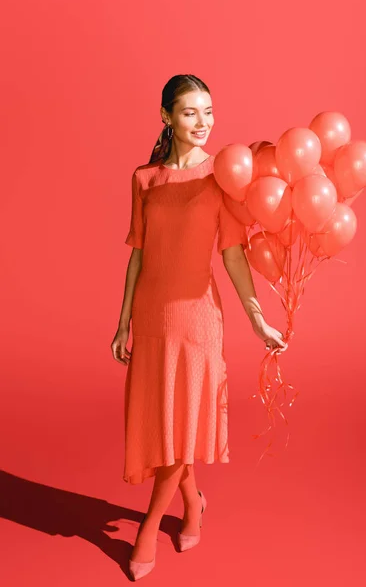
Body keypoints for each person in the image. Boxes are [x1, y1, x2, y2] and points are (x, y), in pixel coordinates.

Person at [110, 74, 287, 581]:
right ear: (166, 116)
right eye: (190, 112)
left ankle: (148, 527)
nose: (203, 122)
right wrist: (122, 322)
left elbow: (232, 254)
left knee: (183, 421)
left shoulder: (220, 180)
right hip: (152, 315)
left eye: (209, 111)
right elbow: (137, 256)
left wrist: (257, 318)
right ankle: (193, 504)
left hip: (198, 318)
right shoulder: (144, 178)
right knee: (169, 421)